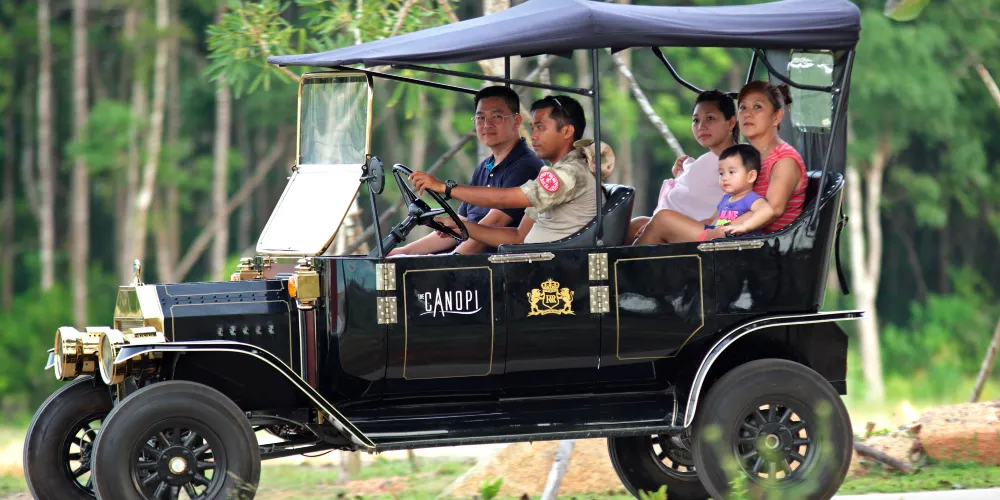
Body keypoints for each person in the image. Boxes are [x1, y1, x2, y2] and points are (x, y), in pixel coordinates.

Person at [410, 95, 612, 247]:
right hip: (532, 263)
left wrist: (446, 188)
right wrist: (461, 227)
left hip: (554, 273)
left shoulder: (569, 173)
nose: (533, 136)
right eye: (533, 128)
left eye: (540, 128)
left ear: (567, 131)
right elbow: (518, 237)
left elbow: (505, 199)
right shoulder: (555, 174)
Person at [635, 81, 807, 244]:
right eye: (743, 107)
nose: (747, 114)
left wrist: (724, 230)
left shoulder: (784, 160)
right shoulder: (753, 157)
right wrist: (688, 226)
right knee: (643, 224)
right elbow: (724, 208)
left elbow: (773, 210)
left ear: (777, 116)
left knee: (663, 219)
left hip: (757, 244)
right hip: (732, 235)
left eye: (757, 107)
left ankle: (625, 266)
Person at [388, 85, 543, 255]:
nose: (487, 124)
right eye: (480, 118)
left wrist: (451, 261)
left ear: (517, 121)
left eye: (497, 117)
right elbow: (459, 224)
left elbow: (491, 226)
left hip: (494, 265)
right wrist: (404, 251)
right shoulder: (484, 167)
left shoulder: (526, 166)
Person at [626, 90, 736, 244]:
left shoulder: (737, 160)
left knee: (662, 220)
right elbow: (698, 197)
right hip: (697, 223)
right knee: (636, 224)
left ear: (731, 122)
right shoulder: (707, 160)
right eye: (696, 120)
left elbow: (729, 210)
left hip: (717, 230)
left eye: (710, 118)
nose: (701, 126)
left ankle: (626, 262)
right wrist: (682, 177)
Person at [634, 144, 774, 244]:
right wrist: (683, 227)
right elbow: (711, 220)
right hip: (712, 236)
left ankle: (628, 270)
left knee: (663, 217)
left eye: (731, 172)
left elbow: (767, 211)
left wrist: (744, 227)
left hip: (729, 244)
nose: (725, 177)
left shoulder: (750, 198)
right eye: (721, 173)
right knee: (656, 223)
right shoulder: (726, 199)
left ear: (751, 176)